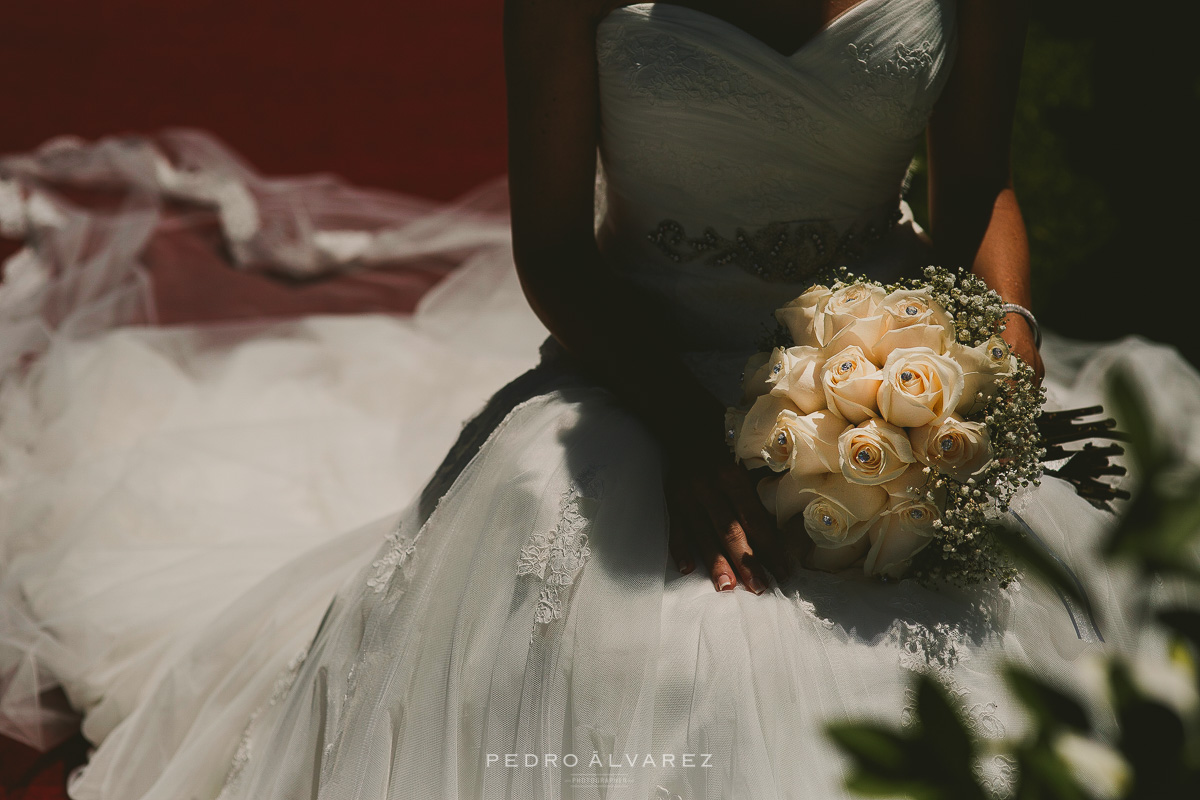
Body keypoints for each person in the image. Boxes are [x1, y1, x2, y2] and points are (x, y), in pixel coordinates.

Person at [1, 1, 1197, 798]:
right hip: (641, 362)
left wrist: (1004, 346)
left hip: (889, 375)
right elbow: (559, 257)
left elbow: (977, 196)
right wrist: (685, 434)